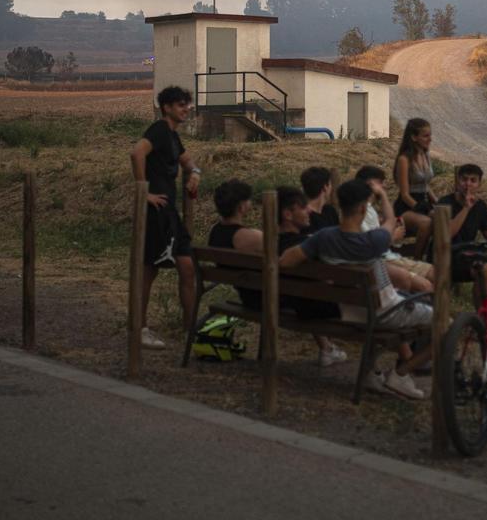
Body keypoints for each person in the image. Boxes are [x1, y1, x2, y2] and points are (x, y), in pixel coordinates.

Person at [279, 178, 434, 400]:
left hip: (350, 311)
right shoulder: (376, 239)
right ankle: (400, 374)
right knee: (444, 324)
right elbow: (391, 221)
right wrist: (382, 196)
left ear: (341, 206)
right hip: (383, 312)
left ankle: (370, 374)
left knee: (393, 299)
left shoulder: (323, 238)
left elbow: (285, 261)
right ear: (363, 208)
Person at [210, 181, 345, 367]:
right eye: (248, 200)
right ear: (242, 206)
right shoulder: (252, 237)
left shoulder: (215, 232)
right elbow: (281, 248)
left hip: (250, 292)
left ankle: (326, 348)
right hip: (268, 297)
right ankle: (327, 348)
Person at [129, 85, 200, 350]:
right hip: (156, 211)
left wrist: (195, 173)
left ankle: (189, 328)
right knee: (149, 271)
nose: (186, 109)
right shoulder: (159, 130)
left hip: (170, 213)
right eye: (181, 105)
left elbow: (188, 160)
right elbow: (137, 153)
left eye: (187, 104)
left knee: (187, 267)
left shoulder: (172, 136)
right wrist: (143, 191)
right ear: (167, 107)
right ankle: (140, 328)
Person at [354, 165, 435, 289]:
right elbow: (370, 247)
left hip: (386, 259)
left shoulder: (369, 210)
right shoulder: (360, 211)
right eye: (380, 183)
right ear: (369, 184)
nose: (384, 186)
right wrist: (392, 237)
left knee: (435, 273)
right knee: (428, 283)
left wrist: (389, 228)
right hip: (382, 262)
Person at [437, 163, 487, 307]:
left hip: (468, 255)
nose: (468, 184)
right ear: (458, 181)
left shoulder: (481, 207)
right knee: (483, 269)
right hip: (446, 256)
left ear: (479, 184)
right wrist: (466, 208)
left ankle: (486, 315)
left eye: (473, 180)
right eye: (464, 179)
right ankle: (485, 316)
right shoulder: (445, 203)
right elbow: (447, 234)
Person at [392, 118, 436, 261]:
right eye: (425, 135)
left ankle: (436, 259)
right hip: (406, 206)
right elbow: (404, 194)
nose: (430, 139)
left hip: (422, 201)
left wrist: (437, 202)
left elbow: (425, 185)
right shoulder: (404, 159)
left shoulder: (426, 154)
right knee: (426, 223)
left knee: (443, 218)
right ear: (413, 137)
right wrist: (419, 207)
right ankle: (417, 261)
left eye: (430, 135)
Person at [299, 166, 340, 231]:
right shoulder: (304, 217)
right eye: (330, 185)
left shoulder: (330, 211)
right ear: (325, 187)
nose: (331, 188)